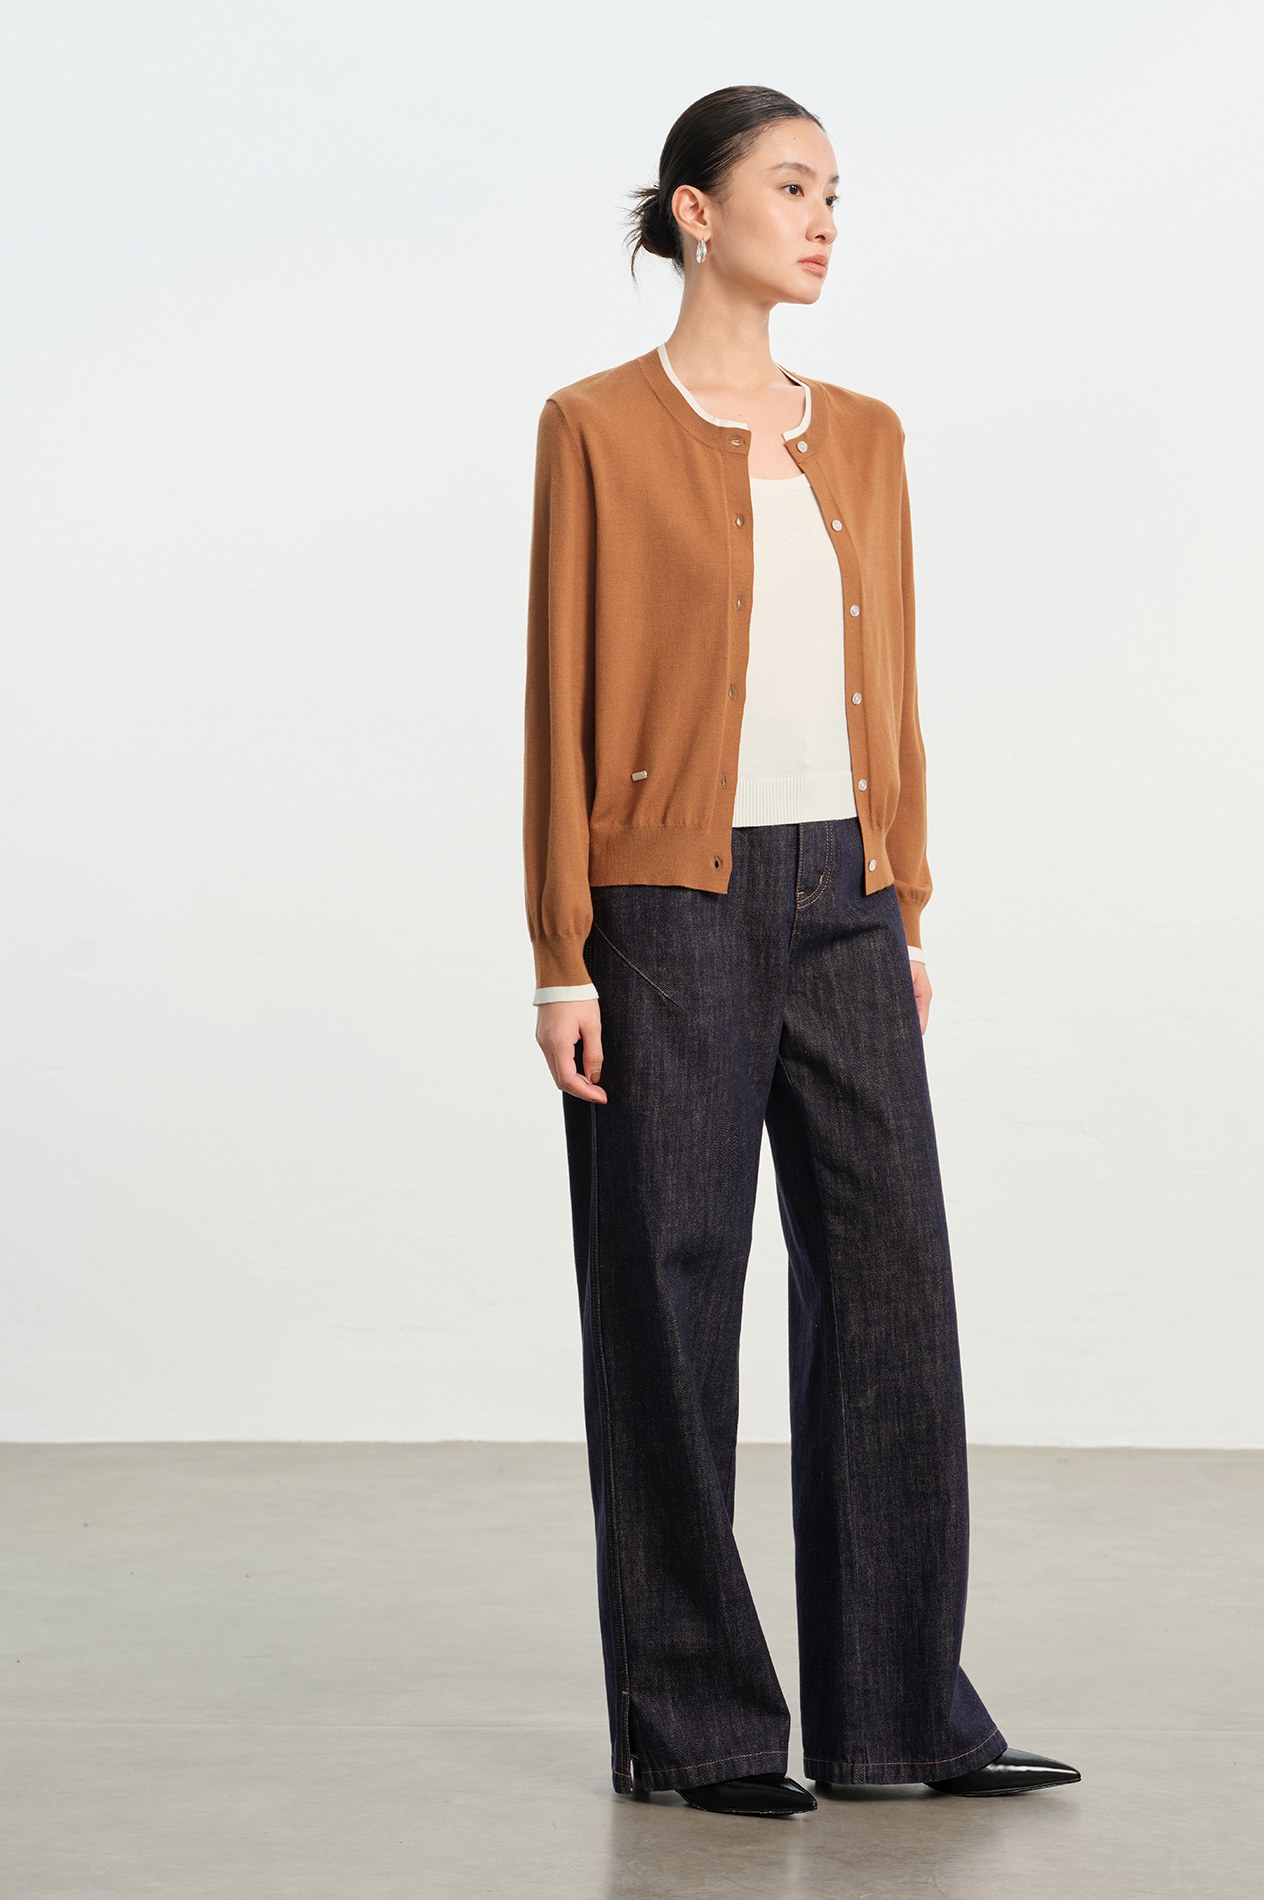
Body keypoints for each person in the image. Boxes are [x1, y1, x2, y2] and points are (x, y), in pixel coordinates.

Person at [522, 84, 1081, 1820]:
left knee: (891, 1287)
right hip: (664, 906)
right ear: (696, 212)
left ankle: (900, 1714)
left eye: (837, 191)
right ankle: (700, 1728)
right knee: (668, 1297)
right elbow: (558, 696)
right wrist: (561, 953)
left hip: (846, 893)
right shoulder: (593, 426)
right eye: (791, 186)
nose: (825, 218)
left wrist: (903, 893)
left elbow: (890, 685)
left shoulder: (869, 435)